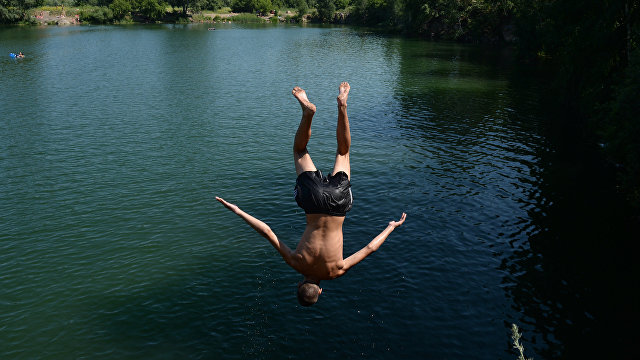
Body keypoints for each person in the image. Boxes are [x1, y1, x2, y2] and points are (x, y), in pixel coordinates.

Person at [216, 82, 406, 306]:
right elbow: (267, 231)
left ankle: (342, 105)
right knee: (299, 150)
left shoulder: (336, 271)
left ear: (321, 291)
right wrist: (236, 210)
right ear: (299, 285)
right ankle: (307, 112)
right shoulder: (296, 264)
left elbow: (370, 248)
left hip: (338, 204)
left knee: (343, 152)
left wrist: (391, 227)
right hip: (313, 201)